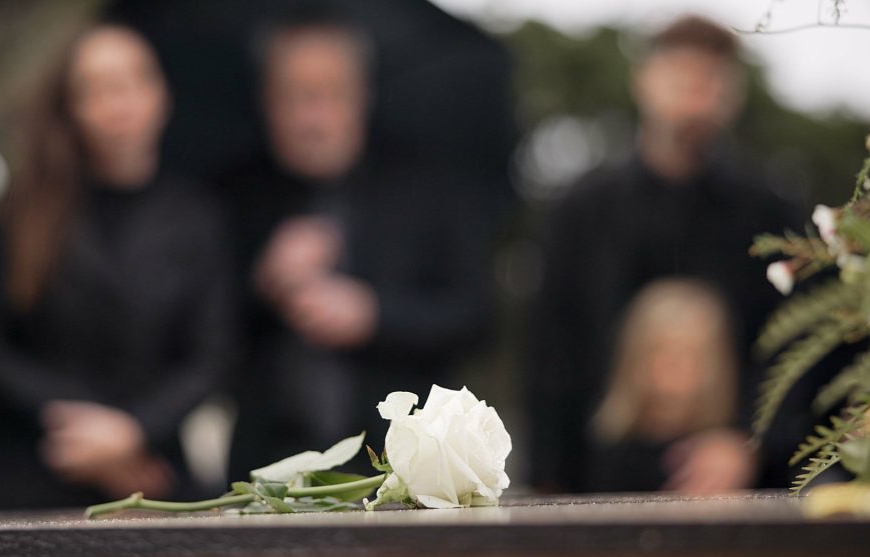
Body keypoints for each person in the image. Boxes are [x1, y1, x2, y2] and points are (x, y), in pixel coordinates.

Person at [0, 24, 233, 510]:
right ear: (72, 108)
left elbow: (210, 356)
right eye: (97, 88)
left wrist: (131, 429)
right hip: (26, 467)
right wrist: (76, 422)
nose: (118, 102)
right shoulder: (24, 211)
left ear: (161, 94)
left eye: (133, 81)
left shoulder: (197, 219)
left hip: (148, 474)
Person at [527, 15, 799, 494]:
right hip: (597, 483)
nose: (695, 96)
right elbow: (551, 355)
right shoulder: (580, 213)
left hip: (738, 487)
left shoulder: (771, 214)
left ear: (732, 94)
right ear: (644, 81)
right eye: (681, 78)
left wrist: (749, 443)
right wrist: (549, 480)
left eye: (710, 80)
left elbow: (796, 350)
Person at [224, 8, 494, 478]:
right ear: (265, 101)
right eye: (294, 97)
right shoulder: (234, 195)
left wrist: (374, 314)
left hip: (400, 466)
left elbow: (476, 317)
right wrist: (262, 280)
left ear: (361, 96)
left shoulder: (427, 189)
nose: (312, 118)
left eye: (328, 95)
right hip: (267, 467)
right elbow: (196, 341)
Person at [585, 279, 739, 493]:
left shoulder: (724, 457)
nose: (672, 367)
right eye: (659, 352)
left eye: (688, 355)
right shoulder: (606, 454)